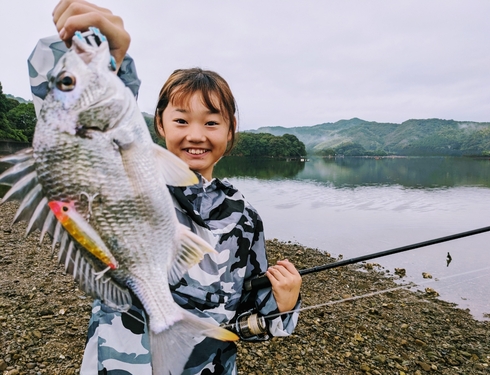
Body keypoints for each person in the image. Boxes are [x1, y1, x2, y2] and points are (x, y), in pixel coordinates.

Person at [29, 1, 303, 374]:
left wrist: (283, 306)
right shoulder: (128, 178)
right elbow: (68, 128)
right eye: (181, 119)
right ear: (158, 123)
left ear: (230, 130)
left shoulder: (245, 217)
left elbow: (246, 320)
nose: (195, 135)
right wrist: (95, 56)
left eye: (211, 123)